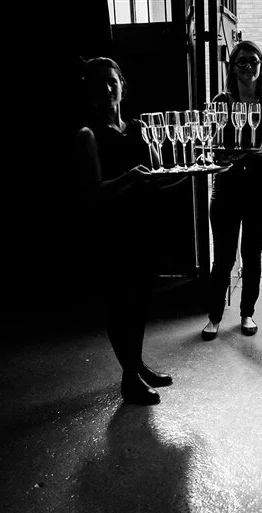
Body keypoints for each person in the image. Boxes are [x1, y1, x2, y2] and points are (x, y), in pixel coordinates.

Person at [75, 57, 177, 405]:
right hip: (112, 232)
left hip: (145, 226)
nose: (107, 89)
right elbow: (93, 193)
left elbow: (156, 177)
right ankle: (128, 379)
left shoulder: (137, 128)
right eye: (99, 83)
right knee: (122, 306)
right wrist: (130, 178)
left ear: (123, 86)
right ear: (89, 90)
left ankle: (136, 365)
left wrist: (202, 169)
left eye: (112, 82)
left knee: (142, 303)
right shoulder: (87, 134)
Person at [201, 41, 262, 340]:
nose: (248, 67)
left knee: (252, 254)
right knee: (222, 257)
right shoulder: (221, 102)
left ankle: (247, 313)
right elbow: (209, 141)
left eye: (253, 61)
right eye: (241, 62)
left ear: (261, 66)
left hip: (259, 188)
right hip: (226, 186)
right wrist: (216, 154)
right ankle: (214, 317)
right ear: (232, 66)